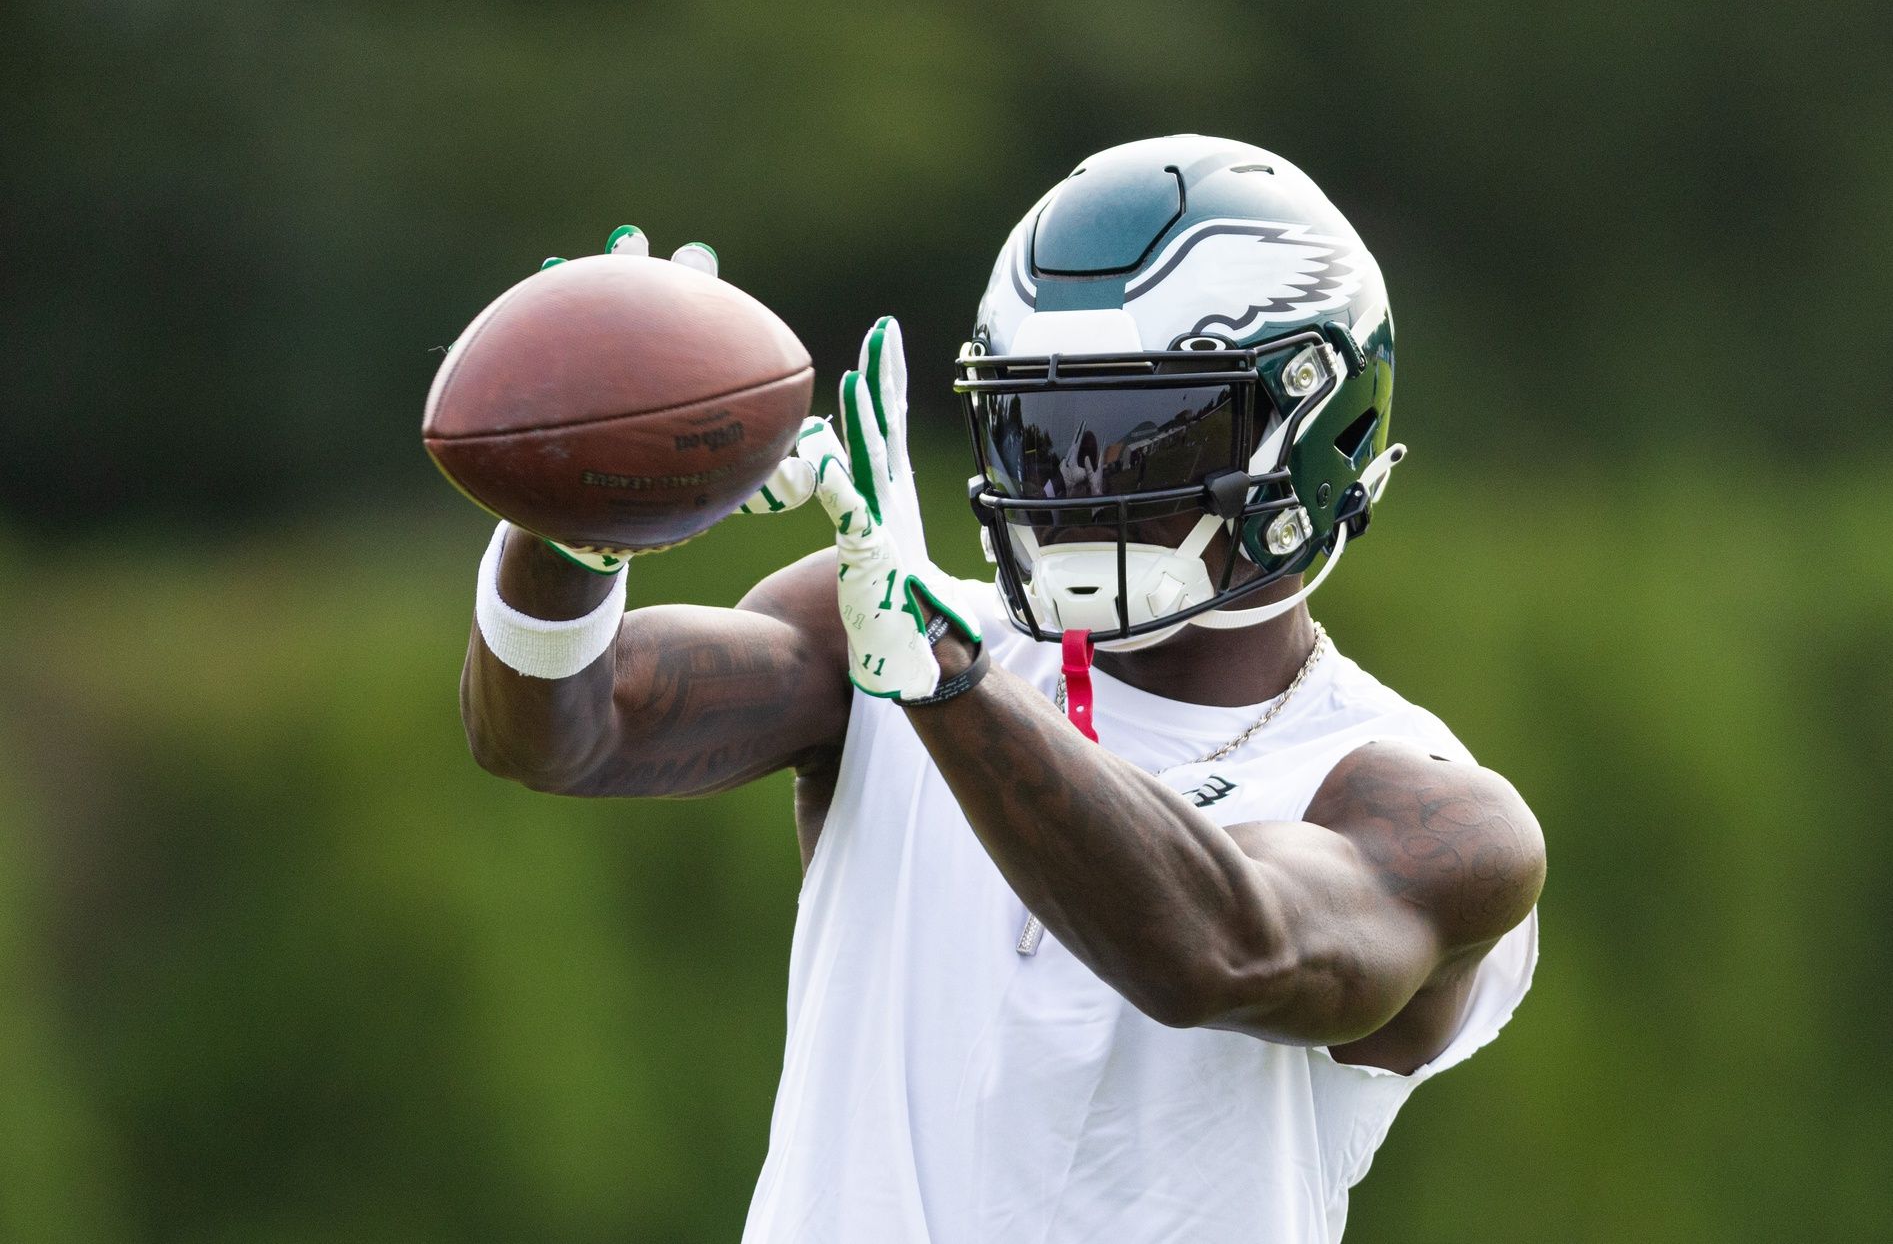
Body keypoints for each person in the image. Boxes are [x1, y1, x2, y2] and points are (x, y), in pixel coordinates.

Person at [459, 134, 1545, 1243]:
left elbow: (1225, 947)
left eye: (1139, 437)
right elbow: (563, 732)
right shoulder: (881, 626)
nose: (1074, 491)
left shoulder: (1435, 812)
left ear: (1317, 430)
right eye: (1040, 431)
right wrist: (570, 508)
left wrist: (946, 680)